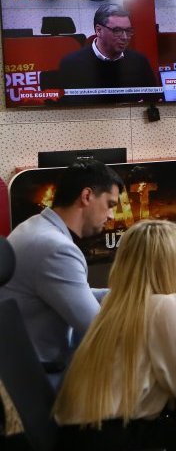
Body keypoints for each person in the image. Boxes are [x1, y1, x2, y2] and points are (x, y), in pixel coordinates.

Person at [53, 220, 176, 450]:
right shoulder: (165, 306)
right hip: (120, 438)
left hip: (80, 437)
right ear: (171, 267)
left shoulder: (115, 303)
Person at [0, 160, 123, 384]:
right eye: (110, 204)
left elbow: (77, 294)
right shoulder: (56, 248)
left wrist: (133, 294)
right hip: (44, 379)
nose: (112, 216)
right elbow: (100, 330)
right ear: (87, 196)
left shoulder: (34, 226)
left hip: (20, 371)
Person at [53, 3, 159, 104]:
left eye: (128, 31)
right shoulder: (71, 63)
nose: (125, 37)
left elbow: (153, 100)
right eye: (117, 30)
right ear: (99, 30)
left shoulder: (139, 61)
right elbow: (66, 106)